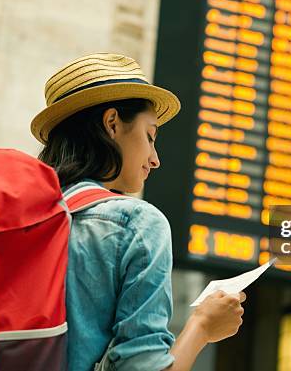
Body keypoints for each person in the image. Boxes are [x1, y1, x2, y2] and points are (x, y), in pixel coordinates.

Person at [30, 53, 246, 371]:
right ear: (112, 124)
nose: (155, 159)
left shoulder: (24, 218)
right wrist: (202, 325)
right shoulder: (136, 224)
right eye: (150, 136)